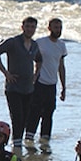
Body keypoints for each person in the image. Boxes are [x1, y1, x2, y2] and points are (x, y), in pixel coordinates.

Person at [0, 16, 40, 154]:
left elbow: (39, 60)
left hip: (28, 88)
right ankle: (16, 146)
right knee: (16, 117)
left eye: (32, 27)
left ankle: (20, 144)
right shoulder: (13, 42)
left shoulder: (35, 45)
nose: (30, 29)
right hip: (13, 88)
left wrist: (35, 75)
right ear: (22, 27)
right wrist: (6, 73)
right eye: (28, 26)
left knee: (25, 118)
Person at [27, 17, 67, 153]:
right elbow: (29, 60)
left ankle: (45, 143)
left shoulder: (61, 45)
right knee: (34, 112)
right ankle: (29, 140)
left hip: (52, 84)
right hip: (39, 82)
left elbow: (61, 66)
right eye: (55, 27)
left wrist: (64, 87)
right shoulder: (40, 43)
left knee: (49, 114)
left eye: (60, 27)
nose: (58, 30)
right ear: (49, 28)